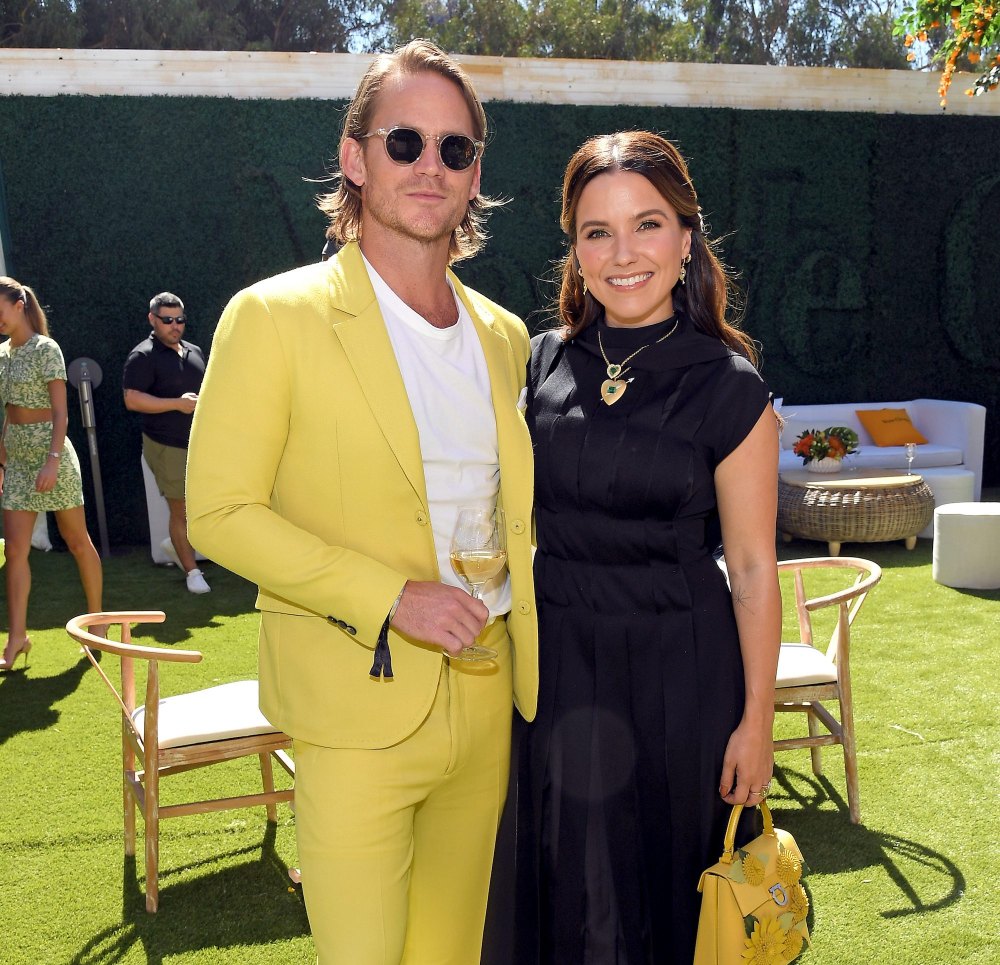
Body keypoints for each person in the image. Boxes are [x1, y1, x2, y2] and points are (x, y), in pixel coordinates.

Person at [185, 40, 538, 965]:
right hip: (355, 710)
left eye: (455, 150)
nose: (431, 166)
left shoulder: (504, 336)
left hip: (489, 694)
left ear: (474, 177)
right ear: (354, 157)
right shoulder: (272, 317)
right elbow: (219, 511)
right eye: (405, 141)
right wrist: (391, 593)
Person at [514, 132, 781, 964]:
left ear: (687, 238)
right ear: (575, 249)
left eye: (648, 224)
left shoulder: (728, 384)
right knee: (570, 888)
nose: (623, 253)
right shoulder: (538, 362)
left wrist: (758, 722)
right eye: (597, 231)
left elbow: (752, 569)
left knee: (668, 891)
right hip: (559, 668)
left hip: (681, 672)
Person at [0, 276, 104, 670]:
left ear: (19, 305)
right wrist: (1, 464)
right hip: (19, 462)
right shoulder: (2, 355)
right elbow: (7, 416)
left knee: (78, 541)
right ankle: (16, 640)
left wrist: (53, 459)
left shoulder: (47, 349)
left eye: (0, 311)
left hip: (52, 455)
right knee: (15, 552)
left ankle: (96, 625)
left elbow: (61, 413)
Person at [122, 292, 210, 593]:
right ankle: (192, 572)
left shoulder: (194, 351)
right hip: (166, 444)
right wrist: (176, 403)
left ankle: (178, 547)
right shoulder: (143, 355)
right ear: (153, 319)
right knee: (181, 509)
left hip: (199, 443)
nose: (175, 326)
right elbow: (132, 399)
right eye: (167, 320)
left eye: (180, 320)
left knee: (205, 504)